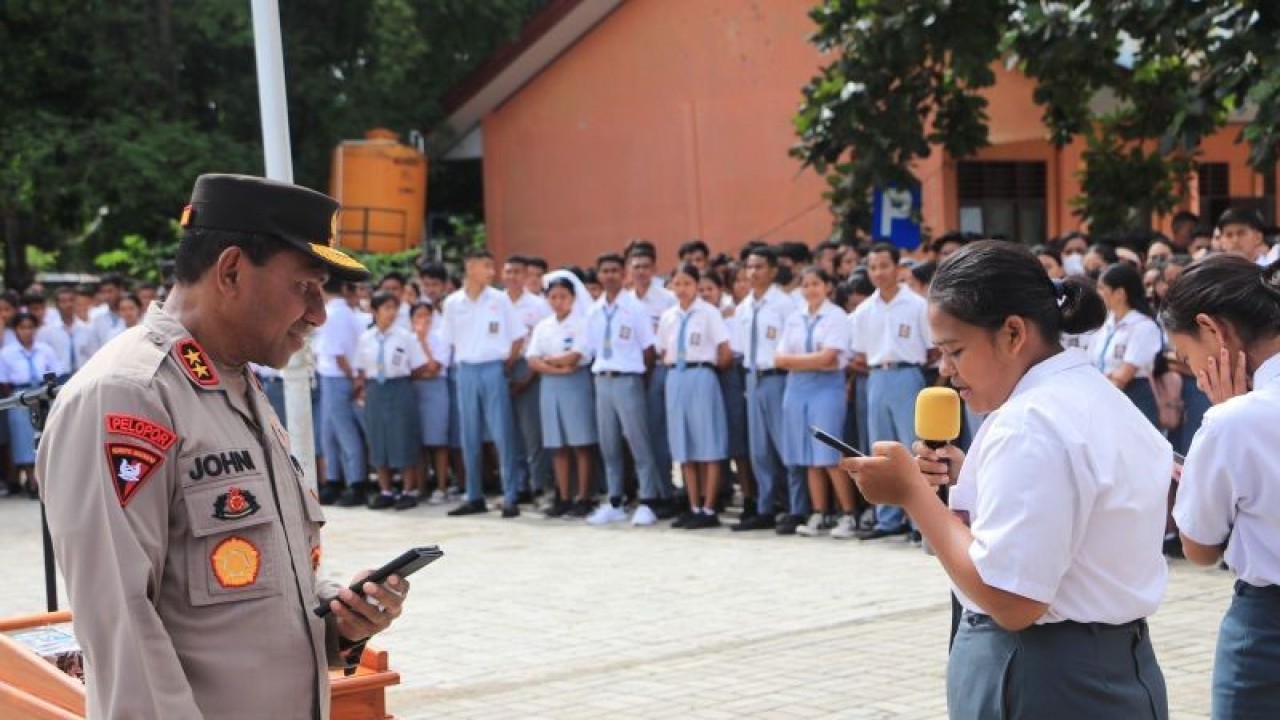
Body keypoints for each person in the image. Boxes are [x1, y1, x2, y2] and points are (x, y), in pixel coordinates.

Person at [37, 173, 409, 718]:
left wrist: (336, 617)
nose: (319, 313)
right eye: (305, 287)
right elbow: (120, 623)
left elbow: (235, 596)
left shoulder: (236, 383)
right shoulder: (128, 395)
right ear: (231, 270)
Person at [841, 240, 1170, 719]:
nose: (947, 372)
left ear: (1013, 333)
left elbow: (1012, 601)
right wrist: (971, 480)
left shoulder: (1028, 422)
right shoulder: (1093, 392)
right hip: (1117, 666)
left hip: (1043, 677)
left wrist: (913, 496)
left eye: (955, 351)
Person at [1162, 254, 1280, 718]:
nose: (1193, 370)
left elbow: (1200, 548)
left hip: (1268, 632)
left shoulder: (1234, 421)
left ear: (1214, 331)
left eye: (1189, 357)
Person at [849, 242, 934, 540]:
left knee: (911, 446)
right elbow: (858, 352)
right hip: (876, 377)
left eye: (884, 266)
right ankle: (887, 519)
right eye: (873, 267)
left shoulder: (917, 305)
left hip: (907, 373)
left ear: (898, 268)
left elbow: (931, 347)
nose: (879, 273)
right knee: (880, 448)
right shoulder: (863, 311)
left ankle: (919, 521)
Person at [440, 248, 526, 518]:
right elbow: (449, 341)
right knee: (469, 435)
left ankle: (510, 495)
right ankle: (474, 495)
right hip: (465, 370)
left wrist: (504, 366)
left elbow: (517, 337)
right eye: (486, 266)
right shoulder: (453, 303)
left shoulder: (500, 300)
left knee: (502, 434)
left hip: (492, 368)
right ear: (470, 268)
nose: (492, 271)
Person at [584, 252, 666, 525]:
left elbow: (648, 349)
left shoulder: (635, 308)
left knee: (638, 441)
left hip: (628, 378)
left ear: (623, 275)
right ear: (598, 275)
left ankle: (648, 500)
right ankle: (616, 500)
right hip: (602, 379)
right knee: (609, 443)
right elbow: (591, 348)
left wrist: (638, 378)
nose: (609, 276)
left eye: (614, 271)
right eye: (604, 271)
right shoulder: (594, 310)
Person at [775, 268, 855, 538]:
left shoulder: (836, 316)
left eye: (816, 284)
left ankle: (847, 514)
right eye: (806, 285)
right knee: (808, 456)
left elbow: (830, 358)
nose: (810, 289)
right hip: (797, 389)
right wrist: (815, 361)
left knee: (830, 454)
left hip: (826, 389)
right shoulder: (794, 317)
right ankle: (819, 512)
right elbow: (779, 358)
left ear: (828, 286)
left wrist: (797, 362)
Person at [657, 264, 732, 530]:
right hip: (676, 376)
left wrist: (708, 370)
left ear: (696, 285)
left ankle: (709, 506)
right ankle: (693, 505)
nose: (682, 289)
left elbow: (724, 352)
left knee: (707, 442)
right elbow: (662, 349)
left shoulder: (709, 313)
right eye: (677, 284)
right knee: (684, 444)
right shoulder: (668, 317)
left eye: (687, 283)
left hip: (701, 374)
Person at [525, 272, 597, 518]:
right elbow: (533, 359)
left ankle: (584, 496)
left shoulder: (582, 322)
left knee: (581, 443)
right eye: (553, 297)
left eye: (563, 296)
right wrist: (555, 366)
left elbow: (575, 356)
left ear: (573, 297)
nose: (558, 301)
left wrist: (554, 362)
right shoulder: (544, 326)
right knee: (558, 446)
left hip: (575, 385)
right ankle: (563, 495)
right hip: (551, 385)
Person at [354, 292, 426, 510]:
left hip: (400, 386)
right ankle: (385, 490)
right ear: (375, 311)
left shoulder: (406, 336)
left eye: (394, 308)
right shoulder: (366, 338)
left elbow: (420, 365)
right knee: (378, 438)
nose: (391, 312)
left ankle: (407, 490)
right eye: (386, 308)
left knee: (403, 436)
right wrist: (363, 389)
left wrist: (402, 380)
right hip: (375, 388)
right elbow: (361, 367)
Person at [315, 278, 368, 506]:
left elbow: (338, 353)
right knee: (330, 433)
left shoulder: (335, 313)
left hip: (338, 377)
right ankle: (335, 480)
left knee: (344, 433)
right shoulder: (347, 313)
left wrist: (353, 377)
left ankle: (356, 482)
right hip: (334, 377)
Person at [1090, 263, 1164, 427]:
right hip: (1106, 397)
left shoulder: (1143, 326)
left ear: (1120, 294)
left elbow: (1125, 374)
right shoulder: (1106, 323)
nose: (1098, 293)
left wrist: (1103, 381)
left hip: (1134, 399)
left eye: (1102, 289)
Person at [3, 312, 63, 496]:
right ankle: (31, 480)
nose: (27, 332)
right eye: (22, 328)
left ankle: (44, 479)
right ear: (15, 330)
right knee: (23, 440)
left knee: (46, 435)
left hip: (44, 393)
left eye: (30, 327)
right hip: (20, 395)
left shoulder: (45, 349)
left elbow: (56, 372)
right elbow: (4, 380)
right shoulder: (6, 353)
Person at [409, 300, 453, 504]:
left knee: (438, 441)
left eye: (427, 315)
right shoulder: (407, 340)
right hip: (415, 392)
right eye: (418, 316)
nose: (424, 320)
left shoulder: (439, 339)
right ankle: (421, 486)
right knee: (418, 443)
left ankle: (442, 486)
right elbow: (409, 372)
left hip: (436, 391)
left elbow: (434, 367)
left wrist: (424, 342)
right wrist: (422, 370)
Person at [36, 285, 98, 380]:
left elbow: (94, 356)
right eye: (63, 301)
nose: (68, 304)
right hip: (58, 379)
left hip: (83, 377)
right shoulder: (46, 331)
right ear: (57, 305)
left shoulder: (88, 329)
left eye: (71, 300)